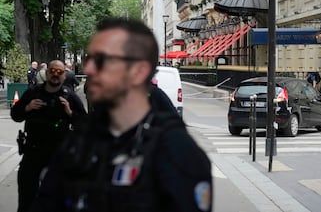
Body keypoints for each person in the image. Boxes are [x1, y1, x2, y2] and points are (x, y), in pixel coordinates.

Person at [30, 17, 212, 212]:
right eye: (88, 59)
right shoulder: (81, 140)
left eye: (101, 60)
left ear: (138, 71)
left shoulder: (178, 153)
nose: (89, 69)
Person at [11, 60, 87, 212]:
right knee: (27, 199)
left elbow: (85, 125)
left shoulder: (69, 96)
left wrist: (70, 113)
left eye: (59, 72)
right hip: (33, 152)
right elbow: (15, 115)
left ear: (64, 76)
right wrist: (27, 107)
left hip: (59, 155)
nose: (55, 75)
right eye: (52, 71)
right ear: (46, 73)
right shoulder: (33, 93)